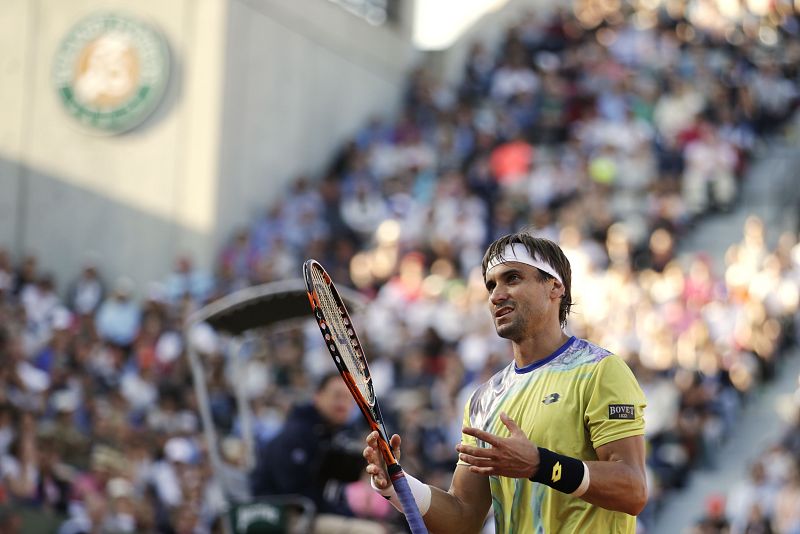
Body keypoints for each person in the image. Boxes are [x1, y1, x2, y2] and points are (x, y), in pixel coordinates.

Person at [364, 231, 648, 532]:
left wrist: (541, 465)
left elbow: (633, 490)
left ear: (554, 287)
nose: (496, 295)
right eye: (491, 285)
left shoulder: (600, 371)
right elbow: (463, 517)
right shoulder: (482, 400)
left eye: (512, 278)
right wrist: (398, 484)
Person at [251, 372, 388, 534]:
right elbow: (294, 492)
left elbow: (344, 478)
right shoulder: (297, 433)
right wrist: (343, 512)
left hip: (311, 512)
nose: (343, 403)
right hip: (282, 517)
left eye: (348, 398)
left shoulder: (330, 434)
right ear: (317, 396)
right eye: (337, 396)